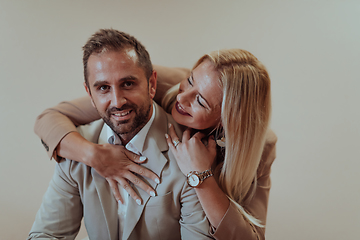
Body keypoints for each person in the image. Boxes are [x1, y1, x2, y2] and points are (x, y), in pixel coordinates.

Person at [34, 45, 277, 239]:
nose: (182, 97)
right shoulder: (148, 82)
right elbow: (50, 118)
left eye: (201, 101)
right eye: (191, 81)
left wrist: (201, 176)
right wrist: (94, 156)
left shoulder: (259, 147)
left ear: (226, 120)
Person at [28, 29, 212, 240]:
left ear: (152, 84)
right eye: (103, 88)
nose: (117, 101)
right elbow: (45, 235)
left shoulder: (190, 153)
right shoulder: (76, 149)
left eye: (128, 84)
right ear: (89, 93)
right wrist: (94, 155)